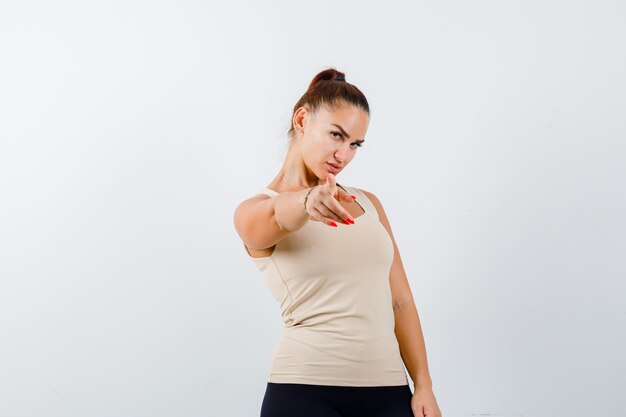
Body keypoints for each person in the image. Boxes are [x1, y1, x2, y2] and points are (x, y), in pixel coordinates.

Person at [233, 68, 443, 417]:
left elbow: (401, 301)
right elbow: (275, 216)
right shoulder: (253, 210)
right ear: (301, 120)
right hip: (303, 392)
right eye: (336, 135)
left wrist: (424, 385)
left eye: (354, 144)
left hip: (389, 390)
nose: (343, 155)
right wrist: (305, 201)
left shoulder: (368, 203)